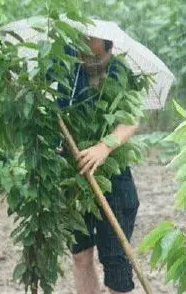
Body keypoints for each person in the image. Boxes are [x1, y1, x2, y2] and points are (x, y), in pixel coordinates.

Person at [52, 36, 141, 294]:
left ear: (105, 42)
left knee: (116, 261)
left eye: (88, 38)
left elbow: (131, 120)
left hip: (112, 174)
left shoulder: (121, 71)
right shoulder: (66, 62)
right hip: (74, 173)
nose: (81, 41)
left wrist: (103, 147)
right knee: (80, 254)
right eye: (79, 36)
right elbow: (42, 89)